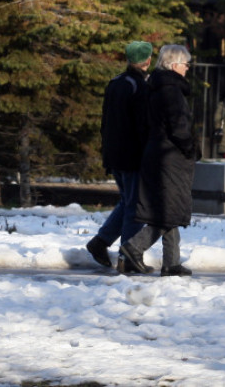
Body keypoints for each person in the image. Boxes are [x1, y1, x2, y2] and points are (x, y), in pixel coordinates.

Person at [120, 44, 198, 277]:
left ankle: (171, 263)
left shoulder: (156, 85)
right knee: (169, 212)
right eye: (186, 64)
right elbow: (178, 125)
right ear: (175, 65)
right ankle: (133, 247)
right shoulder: (170, 89)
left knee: (170, 209)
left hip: (160, 153)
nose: (187, 69)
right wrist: (189, 146)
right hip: (170, 156)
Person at [85, 40, 152, 270]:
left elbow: (106, 121)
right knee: (136, 206)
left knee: (127, 201)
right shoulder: (140, 86)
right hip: (132, 154)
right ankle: (128, 255)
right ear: (148, 60)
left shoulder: (115, 83)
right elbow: (142, 125)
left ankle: (100, 241)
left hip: (114, 153)